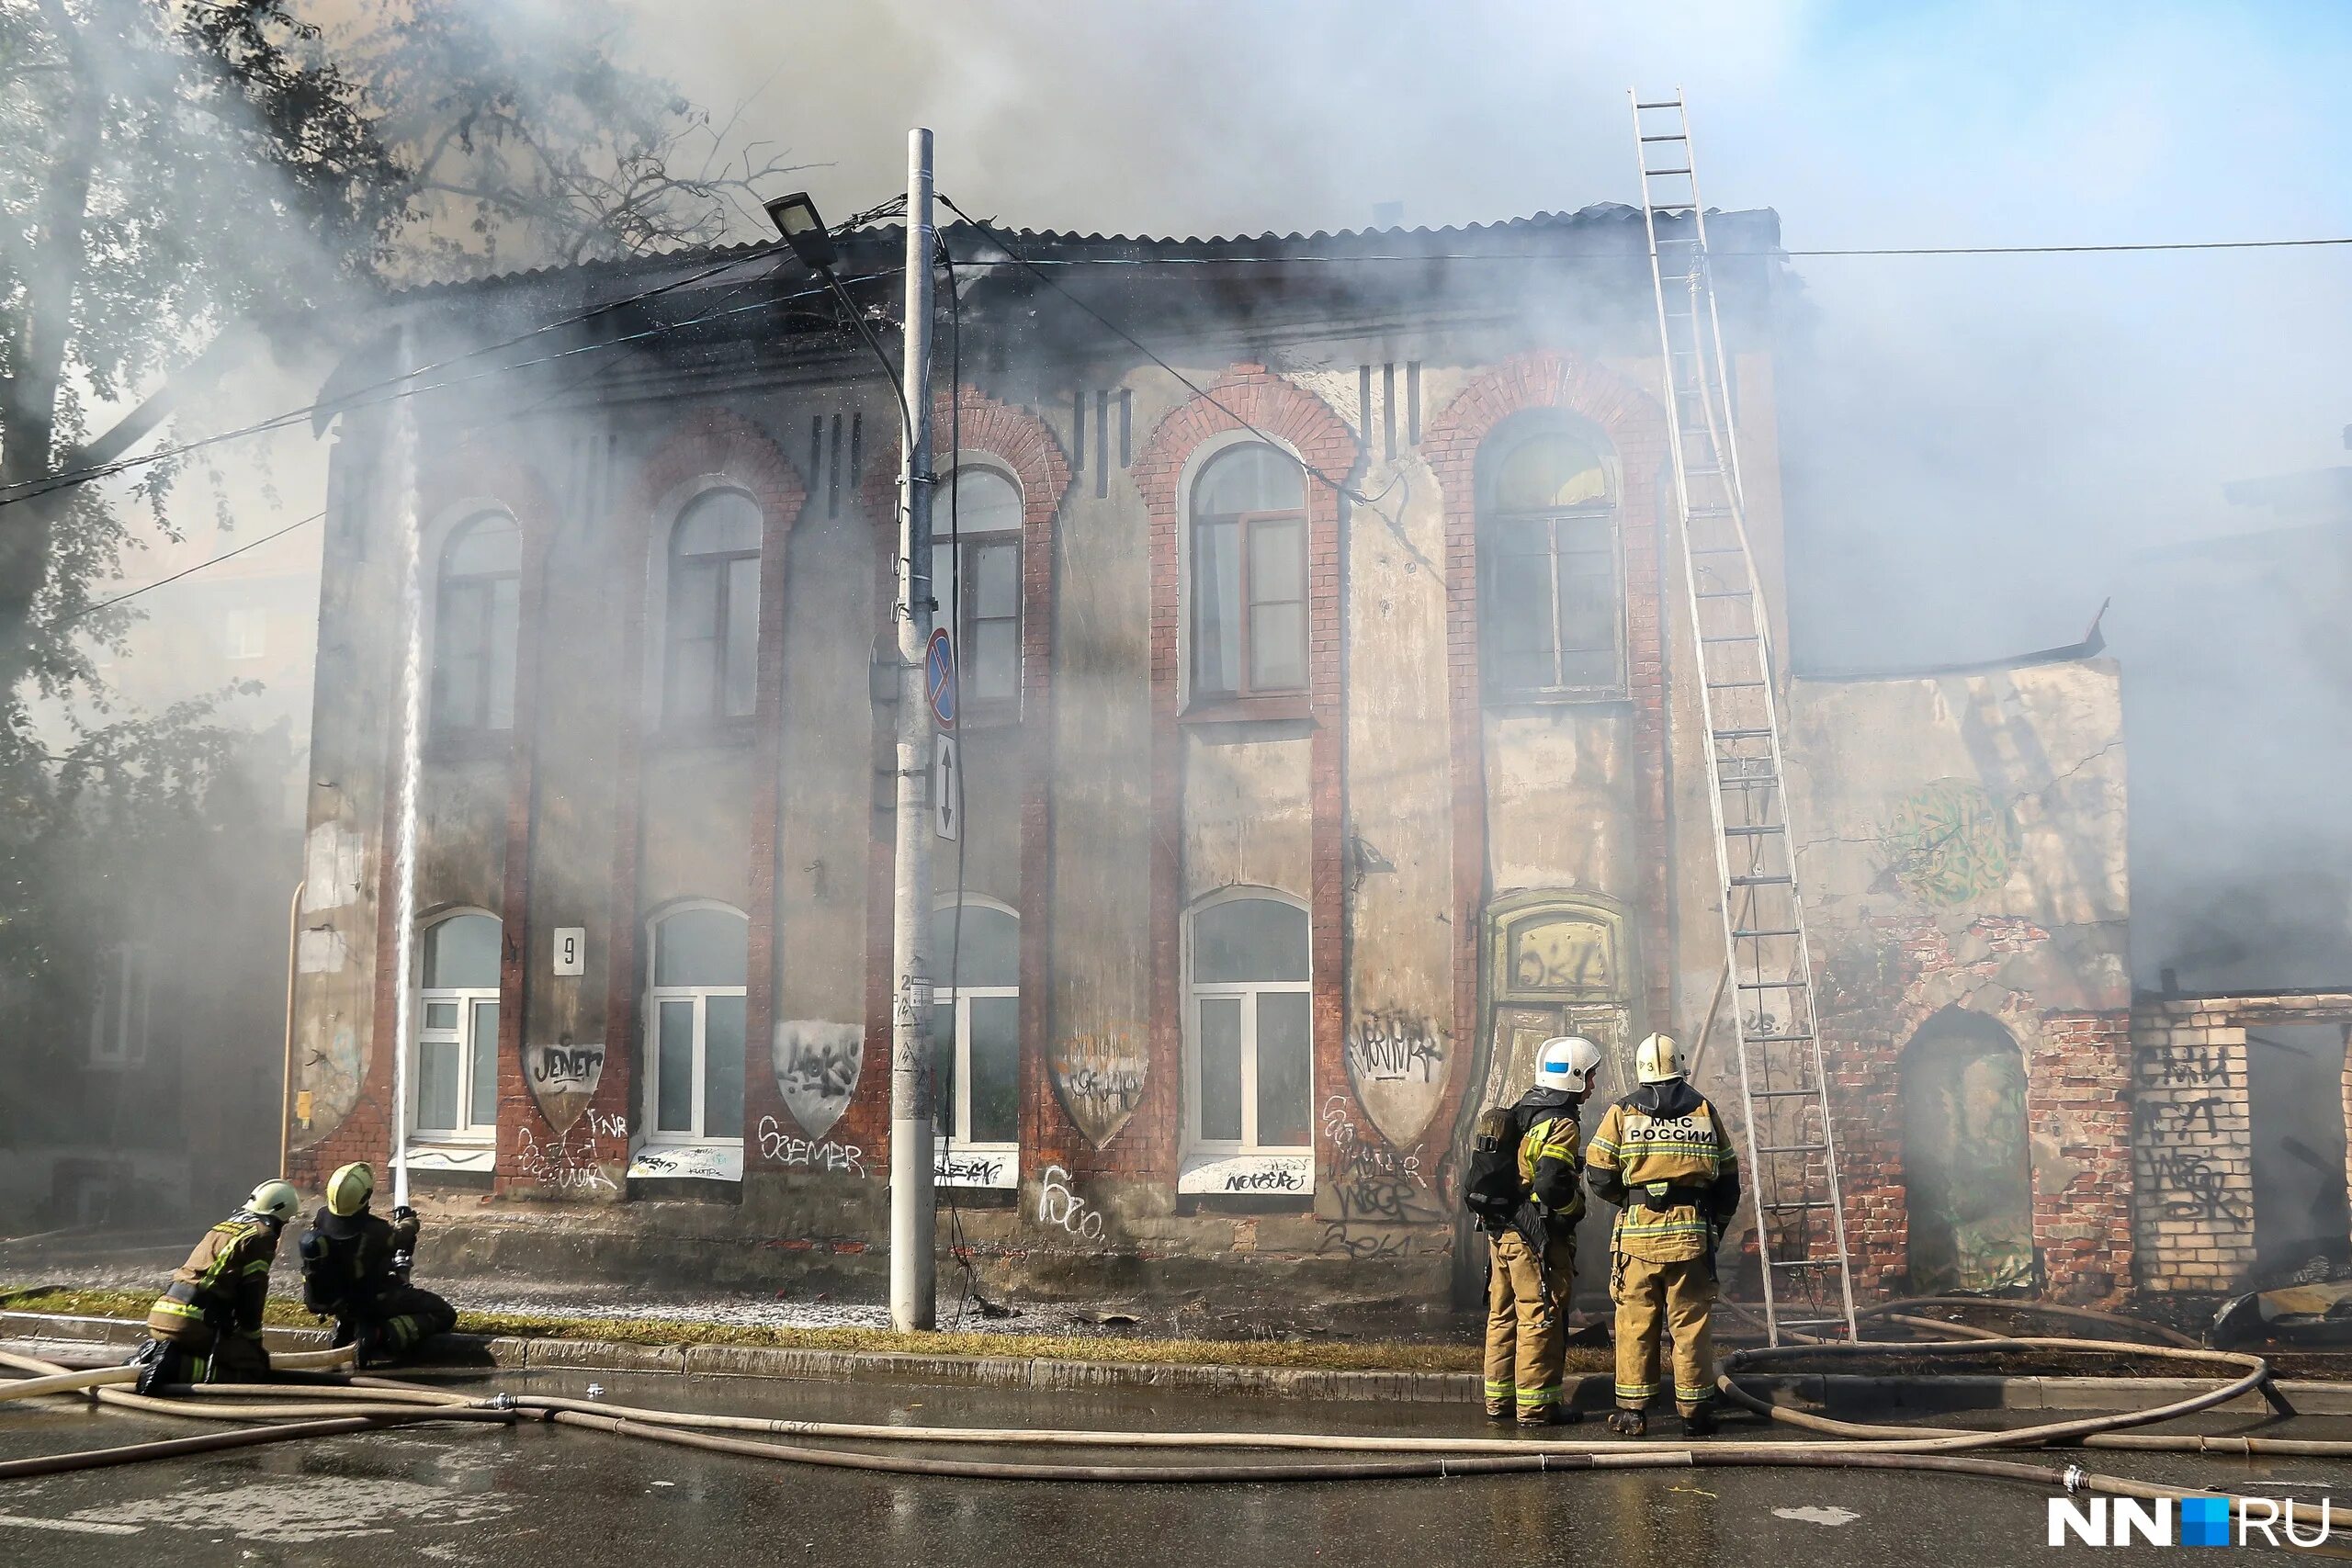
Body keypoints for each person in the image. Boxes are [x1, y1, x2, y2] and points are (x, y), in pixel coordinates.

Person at [1586, 1032, 1741, 1438]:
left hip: (1638, 1240)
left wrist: (1632, 1198)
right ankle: (1695, 1414)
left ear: (1642, 1071)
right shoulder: (1704, 1110)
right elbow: (1728, 1181)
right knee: (1689, 1325)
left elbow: (1599, 1173)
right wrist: (1714, 1228)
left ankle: (1634, 1414)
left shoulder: (1623, 1111)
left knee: (1636, 1322)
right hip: (1692, 1237)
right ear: (1680, 1065)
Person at [1467, 1035, 1601, 1426]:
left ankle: (1499, 1403)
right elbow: (1549, 1182)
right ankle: (1537, 1408)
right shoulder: (1561, 1122)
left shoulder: (1521, 1109)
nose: (1592, 1086)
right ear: (1575, 1077)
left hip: (1501, 1230)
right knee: (1538, 1316)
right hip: (1535, 1237)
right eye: (1589, 1077)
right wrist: (1574, 1209)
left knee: (1502, 1315)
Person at [132, 1179, 302, 1393]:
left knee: (229, 1349)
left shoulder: (223, 1226)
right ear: (281, 1216)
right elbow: (252, 1299)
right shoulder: (261, 1237)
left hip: (161, 1316)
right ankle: (178, 1366)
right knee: (254, 1367)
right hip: (193, 1323)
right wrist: (253, 1343)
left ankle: (153, 1352)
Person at [298, 1161, 458, 1367]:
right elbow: (399, 1238)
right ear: (363, 1197)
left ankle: (346, 1326)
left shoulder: (322, 1218)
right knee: (443, 1313)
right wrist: (409, 1223)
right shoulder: (376, 1231)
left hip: (339, 1300)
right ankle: (382, 1334)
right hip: (374, 1299)